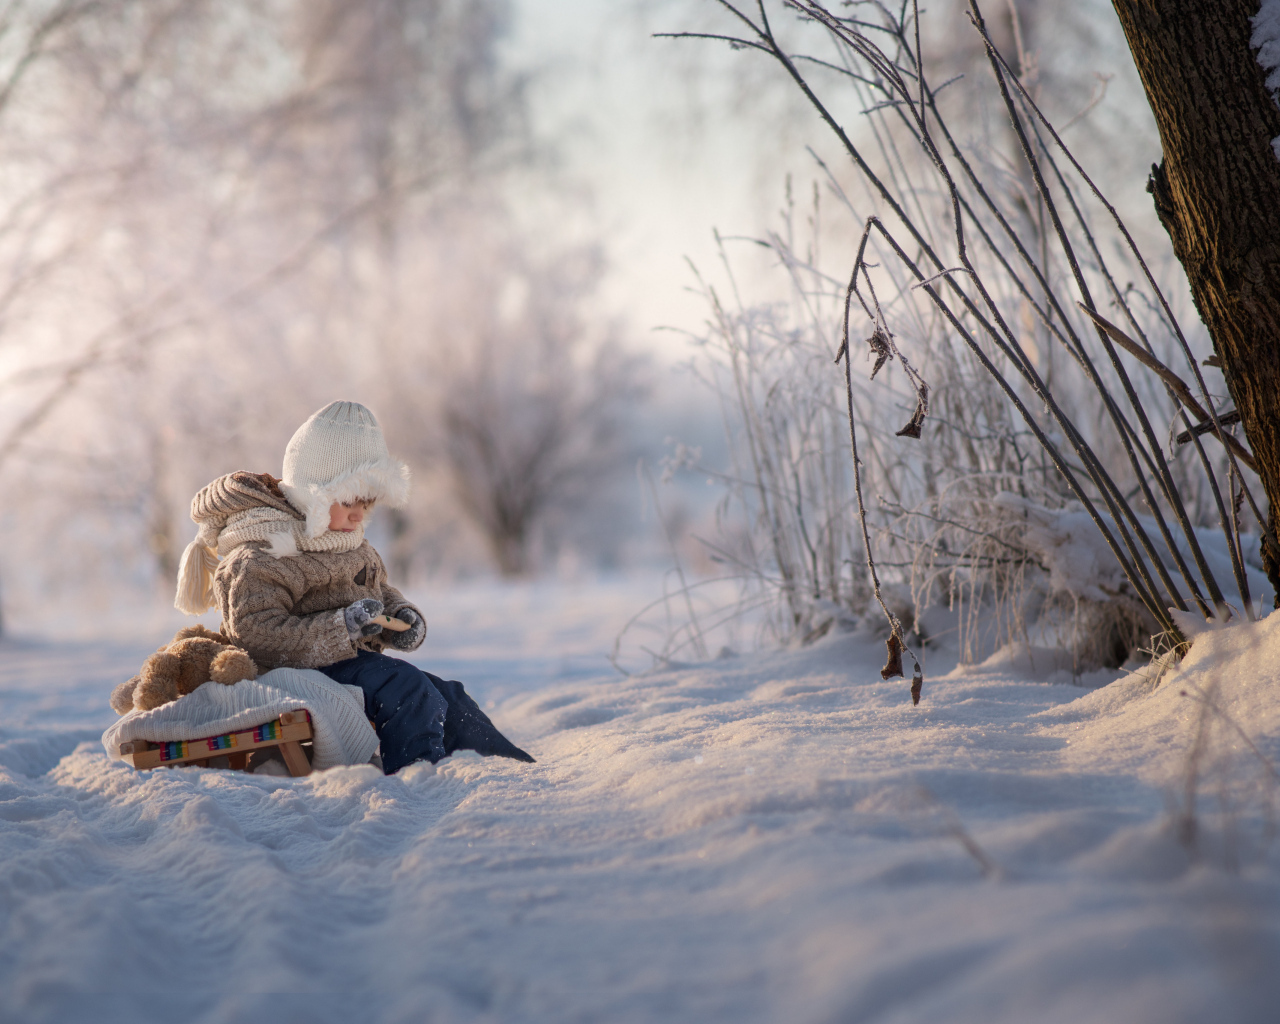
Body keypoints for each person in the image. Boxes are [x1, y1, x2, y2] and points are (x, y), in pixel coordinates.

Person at [173, 400, 533, 773]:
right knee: (405, 687)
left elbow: (378, 590)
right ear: (313, 494)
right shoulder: (260, 553)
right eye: (346, 500)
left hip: (344, 663)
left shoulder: (348, 542)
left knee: (446, 694)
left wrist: (399, 615)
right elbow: (255, 633)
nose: (358, 514)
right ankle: (420, 774)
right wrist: (341, 626)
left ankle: (506, 769)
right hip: (288, 672)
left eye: (367, 502)